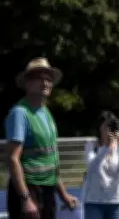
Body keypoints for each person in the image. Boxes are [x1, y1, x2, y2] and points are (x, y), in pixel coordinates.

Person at [5, 58, 79, 219]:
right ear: (28, 83)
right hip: (30, 189)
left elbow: (51, 160)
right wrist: (26, 198)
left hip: (48, 190)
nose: (45, 83)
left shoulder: (46, 112)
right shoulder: (20, 113)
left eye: (48, 79)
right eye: (39, 78)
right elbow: (13, 158)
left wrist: (63, 195)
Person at [82, 112, 119, 219]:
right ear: (100, 128)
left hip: (117, 201)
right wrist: (105, 148)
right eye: (106, 126)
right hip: (94, 201)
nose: (109, 130)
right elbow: (91, 167)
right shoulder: (91, 146)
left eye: (111, 126)